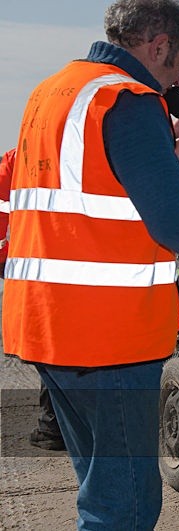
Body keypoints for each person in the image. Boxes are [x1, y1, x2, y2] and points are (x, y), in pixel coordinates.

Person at [2, 1, 179, 530]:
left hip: (46, 326)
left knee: (100, 490)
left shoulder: (54, 92)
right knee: (125, 506)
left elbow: (89, 197)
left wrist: (166, 156)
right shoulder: (129, 101)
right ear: (158, 46)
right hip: (107, 337)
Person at [1, 148, 66, 450]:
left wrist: (6, 261)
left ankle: (53, 427)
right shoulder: (102, 149)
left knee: (51, 349)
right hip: (97, 272)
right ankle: (58, 426)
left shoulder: (18, 158)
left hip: (38, 269)